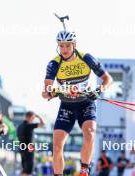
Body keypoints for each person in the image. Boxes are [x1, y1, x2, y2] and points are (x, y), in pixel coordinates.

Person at [42, 30, 113, 176]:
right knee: (56, 146)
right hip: (67, 106)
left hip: (85, 103)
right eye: (61, 46)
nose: (65, 49)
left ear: (74, 45)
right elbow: (46, 91)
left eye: (68, 46)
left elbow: (108, 79)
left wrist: (99, 90)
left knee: (90, 133)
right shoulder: (54, 63)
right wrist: (59, 91)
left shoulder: (86, 57)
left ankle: (84, 170)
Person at [17, 111, 45, 176]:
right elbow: (42, 124)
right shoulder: (29, 125)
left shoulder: (20, 126)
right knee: (29, 169)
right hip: (29, 149)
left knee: (24, 168)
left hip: (22, 148)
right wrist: (39, 117)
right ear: (30, 117)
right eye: (33, 117)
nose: (33, 119)